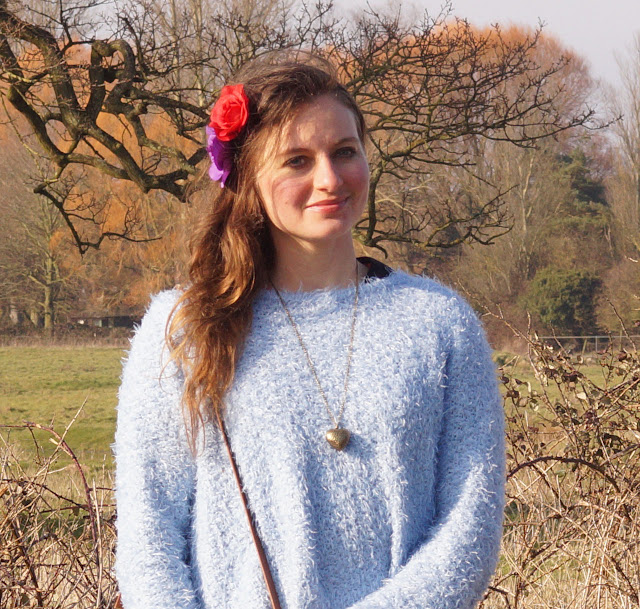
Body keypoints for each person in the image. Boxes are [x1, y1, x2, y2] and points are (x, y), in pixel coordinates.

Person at [114, 54, 505, 609]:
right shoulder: (186, 329)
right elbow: (148, 534)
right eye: (297, 160)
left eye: (344, 151)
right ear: (247, 177)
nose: (329, 178)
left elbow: (471, 523)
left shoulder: (438, 324)